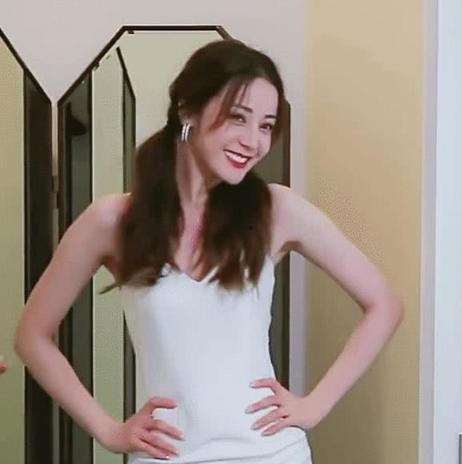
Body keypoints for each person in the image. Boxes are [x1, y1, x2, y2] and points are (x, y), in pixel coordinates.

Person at [14, 39, 404, 463]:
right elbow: (32, 335)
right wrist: (109, 430)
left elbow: (384, 304)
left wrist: (315, 405)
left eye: (266, 126)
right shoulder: (111, 221)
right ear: (187, 109)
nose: (253, 141)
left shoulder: (277, 210)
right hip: (167, 456)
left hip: (272, 454)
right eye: (238, 117)